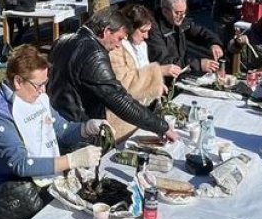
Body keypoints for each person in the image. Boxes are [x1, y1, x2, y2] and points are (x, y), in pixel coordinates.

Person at [0, 45, 106, 219]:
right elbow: (20, 164)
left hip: (43, 189)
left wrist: (87, 128)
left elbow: (62, 130)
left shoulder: (35, 98)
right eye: (39, 85)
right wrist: (72, 160)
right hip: (13, 200)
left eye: (45, 83)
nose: (43, 91)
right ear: (18, 81)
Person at [47, 8, 178, 142]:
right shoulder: (94, 54)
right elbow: (119, 100)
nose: (119, 45)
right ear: (106, 31)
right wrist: (161, 127)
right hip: (79, 128)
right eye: (119, 39)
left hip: (58, 120)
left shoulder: (63, 40)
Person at [107, 5, 181, 138]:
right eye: (142, 31)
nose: (146, 36)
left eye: (148, 31)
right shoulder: (116, 49)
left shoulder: (142, 46)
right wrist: (158, 71)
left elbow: (143, 72)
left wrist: (156, 84)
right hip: (121, 117)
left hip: (139, 112)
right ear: (130, 28)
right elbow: (125, 83)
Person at [147, 0, 225, 75]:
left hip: (180, 72)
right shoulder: (153, 29)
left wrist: (214, 43)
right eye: (177, 13)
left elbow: (200, 31)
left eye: (184, 12)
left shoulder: (180, 21)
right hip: (162, 78)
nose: (182, 16)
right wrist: (198, 64)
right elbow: (164, 61)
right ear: (165, 11)